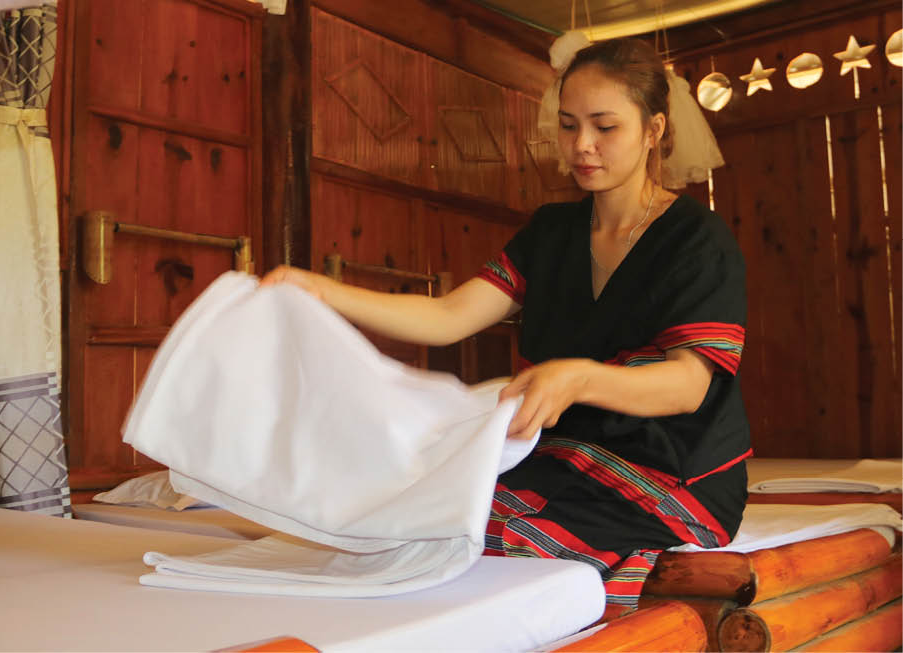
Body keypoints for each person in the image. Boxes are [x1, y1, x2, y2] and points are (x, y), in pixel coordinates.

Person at [260, 37, 750, 608]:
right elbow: (449, 315)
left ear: (653, 129)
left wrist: (577, 378)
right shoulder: (552, 232)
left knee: (486, 541)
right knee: (412, 523)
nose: (582, 145)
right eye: (568, 125)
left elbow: (688, 385)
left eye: (604, 127)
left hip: (673, 470)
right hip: (565, 456)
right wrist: (322, 292)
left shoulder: (696, 238)